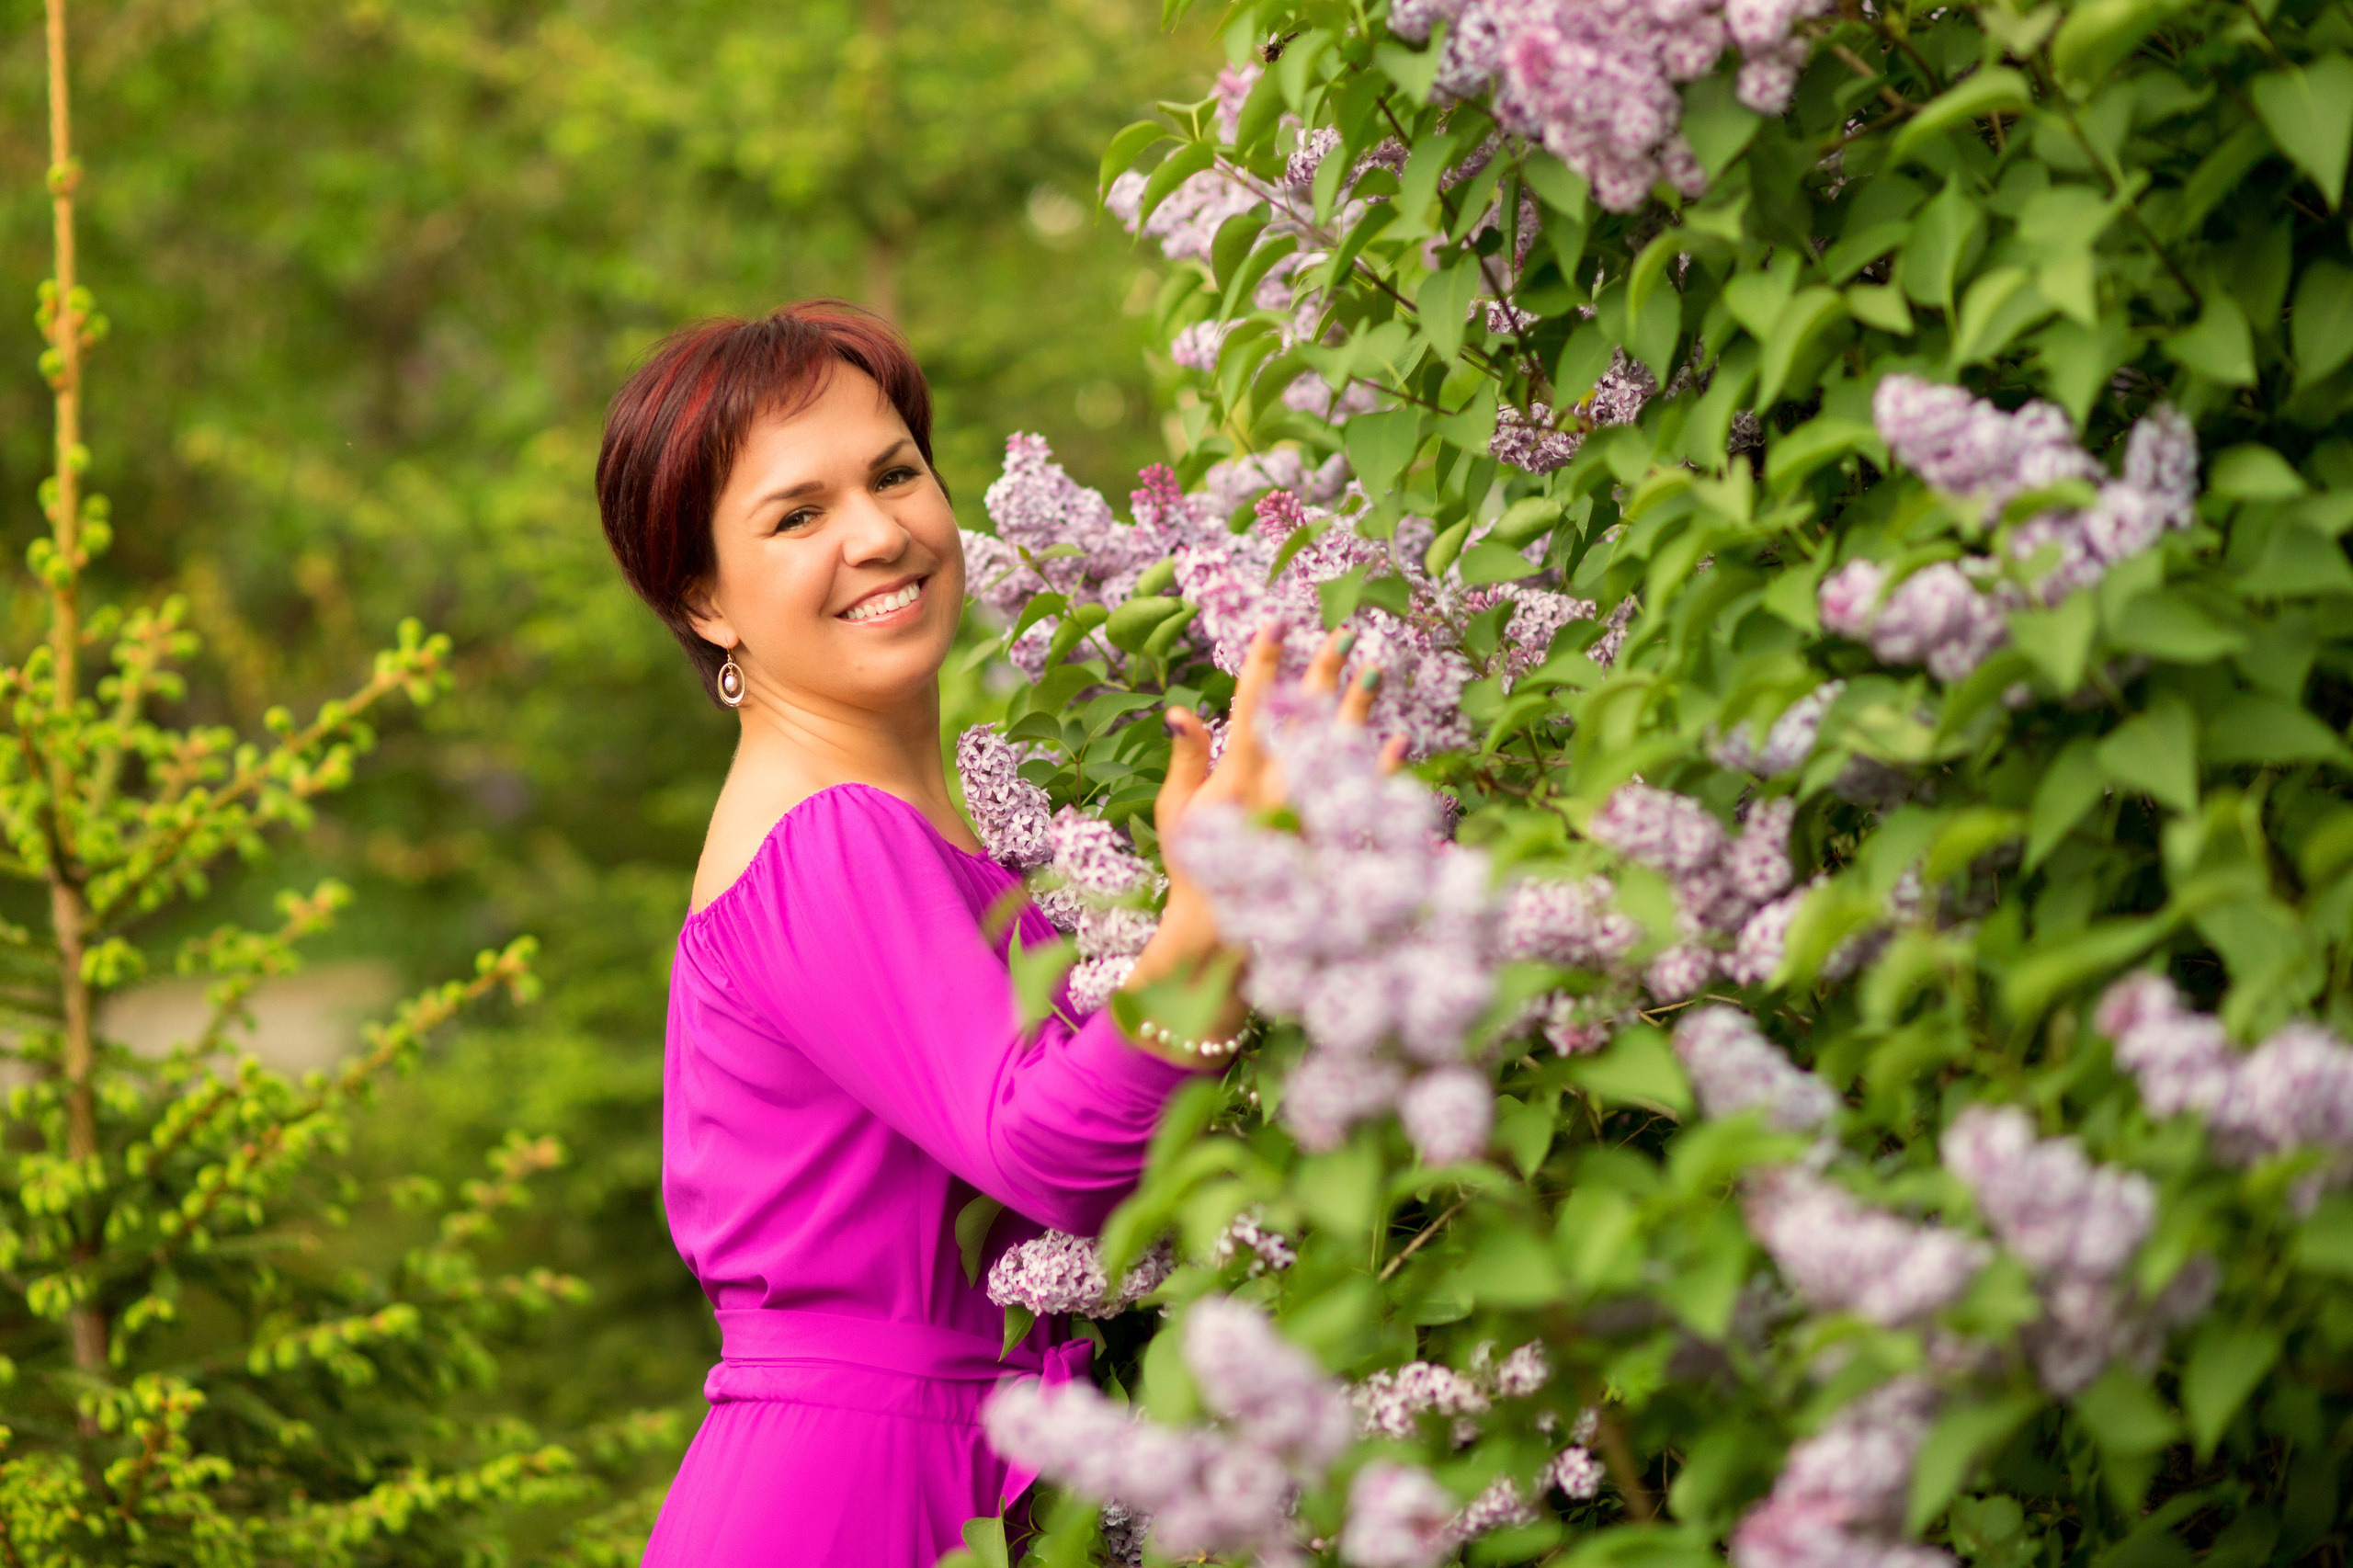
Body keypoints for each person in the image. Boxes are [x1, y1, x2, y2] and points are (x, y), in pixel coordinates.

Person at [595, 301, 1375, 1564]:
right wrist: (1215, 916)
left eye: (895, 472)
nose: (879, 532)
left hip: (954, 1461)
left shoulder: (905, 822)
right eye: (798, 515)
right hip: (857, 1496)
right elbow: (1053, 1150)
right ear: (705, 599)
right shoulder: (825, 836)